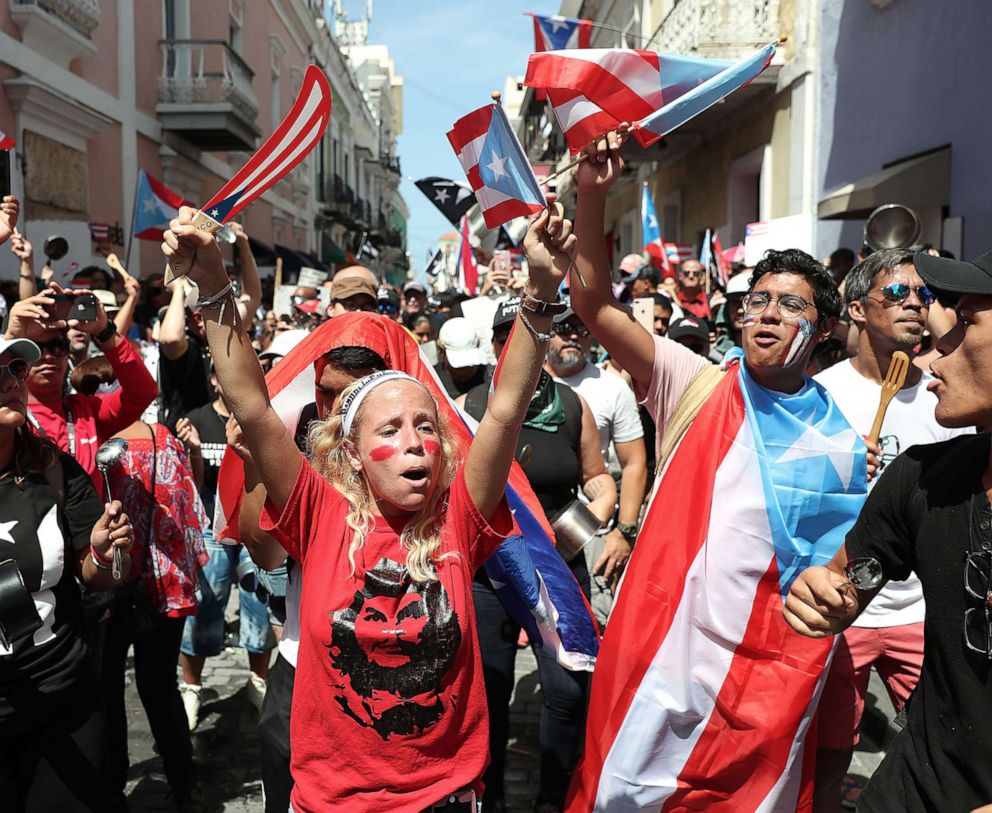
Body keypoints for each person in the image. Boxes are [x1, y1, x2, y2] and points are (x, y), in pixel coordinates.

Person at [162, 196, 575, 810]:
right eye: (389, 431)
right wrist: (216, 281)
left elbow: (507, 407)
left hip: (446, 797)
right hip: (331, 800)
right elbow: (249, 402)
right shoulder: (315, 511)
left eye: (426, 427)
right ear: (350, 452)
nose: (413, 443)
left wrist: (542, 288)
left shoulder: (460, 517)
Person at [564, 130, 868, 811]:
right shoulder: (694, 381)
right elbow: (594, 304)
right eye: (757, 300)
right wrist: (591, 193)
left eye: (792, 304)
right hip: (664, 656)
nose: (768, 313)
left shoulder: (841, 437)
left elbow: (841, 566)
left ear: (823, 330)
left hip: (767, 678)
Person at [785, 247, 992, 813]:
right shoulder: (922, 477)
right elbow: (852, 577)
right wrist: (824, 595)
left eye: (964, 323)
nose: (935, 354)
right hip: (908, 790)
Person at [462, 297, 617, 813]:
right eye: (508, 336)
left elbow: (595, 474)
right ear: (495, 347)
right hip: (491, 571)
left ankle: (554, 798)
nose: (518, 345)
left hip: (559, 564)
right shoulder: (469, 408)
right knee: (490, 687)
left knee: (570, 689)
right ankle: (493, 796)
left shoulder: (573, 406)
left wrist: (606, 497)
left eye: (530, 334)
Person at [0, 330, 134, 812]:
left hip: (63, 695)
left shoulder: (55, 469)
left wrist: (100, 552)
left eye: (16, 370)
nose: (10, 381)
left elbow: (95, 575)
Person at [70, 355, 207, 813]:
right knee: (159, 687)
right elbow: (193, 510)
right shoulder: (163, 437)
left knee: (108, 690)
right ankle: (182, 780)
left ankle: (112, 787)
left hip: (112, 585)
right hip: (165, 587)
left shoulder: (97, 450)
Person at [175, 369, 276, 729]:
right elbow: (192, 484)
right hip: (209, 527)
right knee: (205, 604)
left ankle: (258, 681)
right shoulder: (197, 419)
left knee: (259, 604)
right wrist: (195, 453)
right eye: (221, 374)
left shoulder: (260, 416)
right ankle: (191, 686)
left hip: (251, 523)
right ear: (214, 379)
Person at [3, 284, 157, 494]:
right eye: (37, 349)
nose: (49, 356)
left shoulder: (86, 412)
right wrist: (10, 339)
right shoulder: (7, 417)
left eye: (58, 346)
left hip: (91, 525)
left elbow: (143, 392)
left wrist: (105, 331)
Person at [544, 306, 645, 623]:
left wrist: (624, 533)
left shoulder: (612, 388)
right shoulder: (523, 382)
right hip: (532, 523)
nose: (573, 336)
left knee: (594, 622)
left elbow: (634, 463)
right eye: (563, 329)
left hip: (590, 527)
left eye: (581, 330)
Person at [435, 316, 486, 398]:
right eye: (459, 367)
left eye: (468, 364)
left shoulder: (492, 378)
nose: (464, 371)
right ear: (442, 352)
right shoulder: (432, 380)